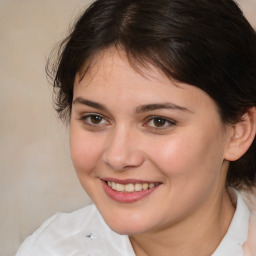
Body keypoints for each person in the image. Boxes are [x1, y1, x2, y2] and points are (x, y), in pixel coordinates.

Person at [16, 0, 256, 255]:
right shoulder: (48, 249)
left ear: (237, 132)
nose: (118, 157)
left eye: (158, 121)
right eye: (95, 118)